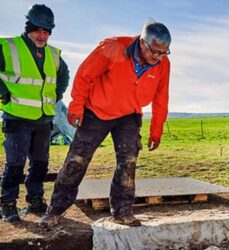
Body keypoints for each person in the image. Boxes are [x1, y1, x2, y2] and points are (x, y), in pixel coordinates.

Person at [39, 20, 171, 227]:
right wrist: (76, 106)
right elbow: (85, 75)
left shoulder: (163, 64)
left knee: (128, 163)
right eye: (155, 52)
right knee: (77, 160)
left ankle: (122, 211)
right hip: (96, 111)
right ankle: (55, 210)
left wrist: (157, 129)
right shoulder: (113, 47)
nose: (158, 57)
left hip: (129, 114)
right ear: (142, 42)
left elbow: (161, 97)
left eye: (164, 53)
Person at [0, 4, 69, 223]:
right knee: (15, 164)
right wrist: (2, 89)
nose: (42, 35)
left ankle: (35, 200)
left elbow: (64, 74)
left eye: (46, 31)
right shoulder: (9, 47)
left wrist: (57, 93)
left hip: (43, 118)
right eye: (38, 30)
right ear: (28, 28)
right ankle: (8, 204)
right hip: (17, 117)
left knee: (40, 163)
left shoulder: (53, 53)